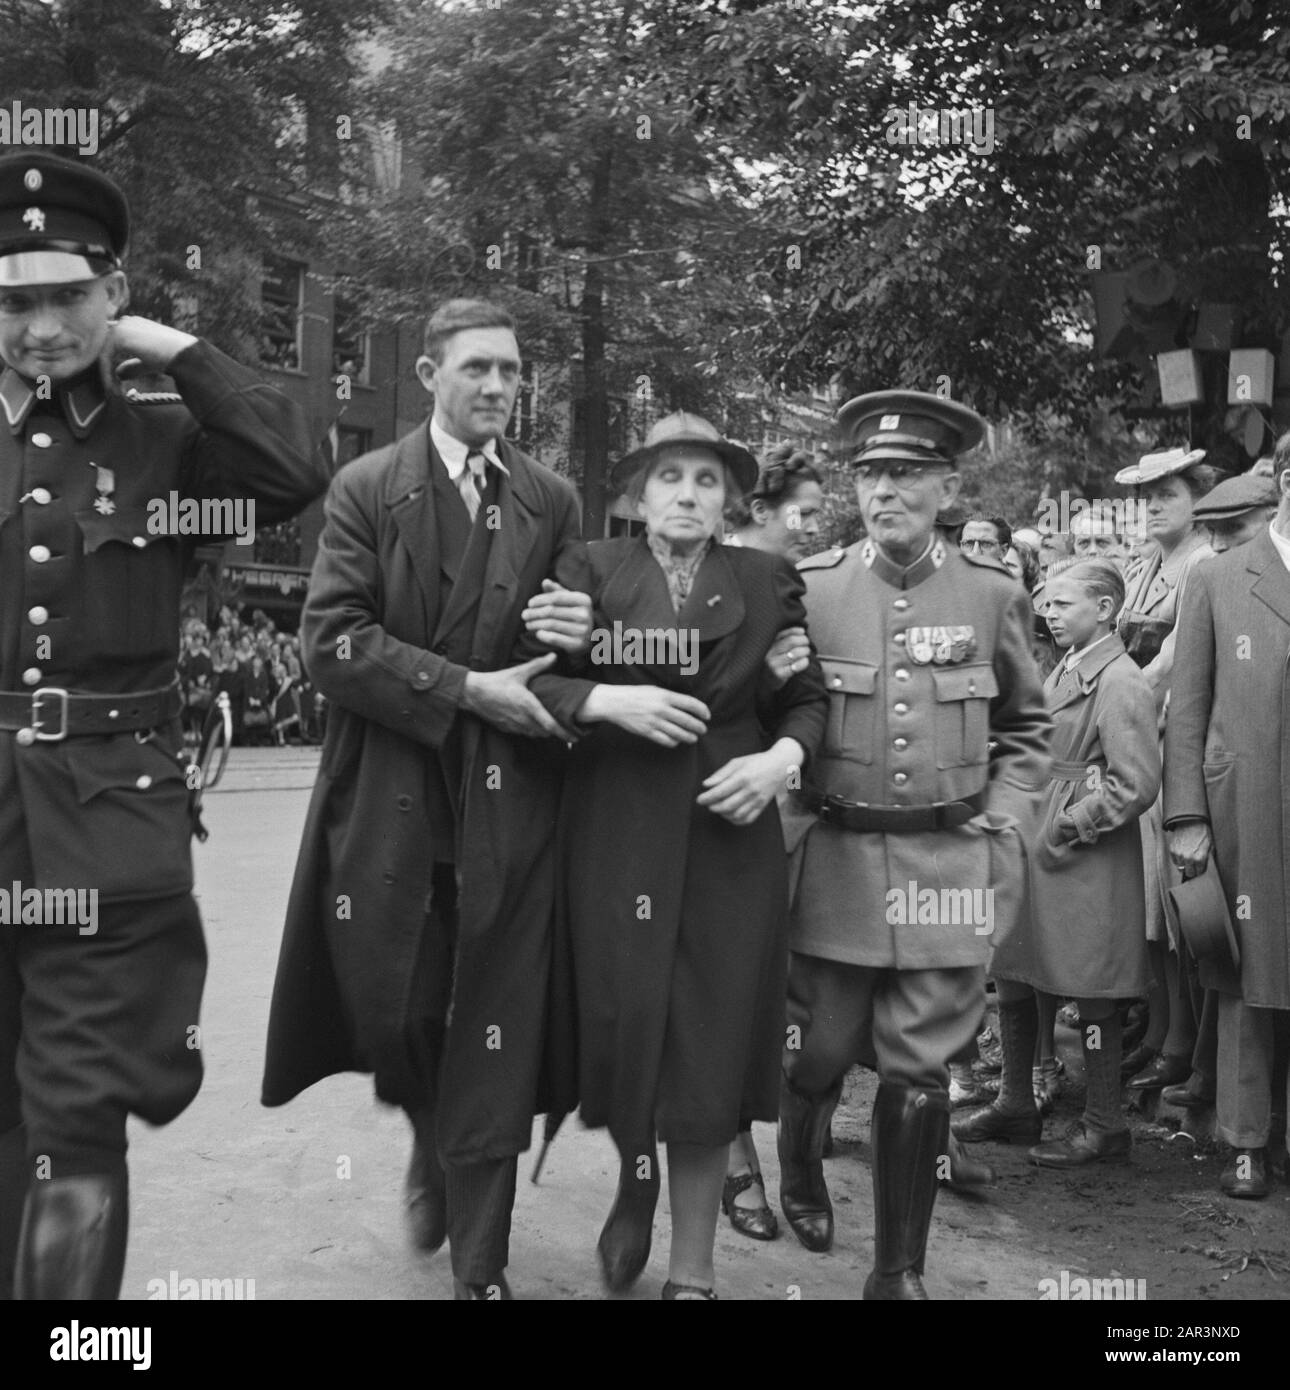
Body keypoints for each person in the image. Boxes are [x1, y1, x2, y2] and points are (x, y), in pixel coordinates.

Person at [0, 151, 323, 1298]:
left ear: (114, 293)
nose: (41, 325)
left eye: (67, 296)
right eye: (14, 300)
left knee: (79, 1114)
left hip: (109, 818)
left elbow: (293, 467)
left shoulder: (167, 447)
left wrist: (175, 353)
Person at [260, 298, 592, 1300]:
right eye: (479, 369)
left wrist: (583, 627)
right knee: (397, 1014)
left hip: (510, 804)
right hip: (393, 794)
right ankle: (425, 1128)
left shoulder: (553, 498)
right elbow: (332, 644)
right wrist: (460, 689)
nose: (498, 388)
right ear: (430, 376)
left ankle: (480, 1269)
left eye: (512, 372)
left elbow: (570, 651)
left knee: (492, 1026)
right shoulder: (367, 486)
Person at [527, 412, 826, 1298]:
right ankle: (634, 1185)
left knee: (708, 1048)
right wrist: (607, 704)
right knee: (624, 1030)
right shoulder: (590, 569)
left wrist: (780, 759)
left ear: (731, 497)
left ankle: (692, 1273)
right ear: (637, 495)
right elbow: (533, 678)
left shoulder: (769, 579)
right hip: (615, 834)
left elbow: (805, 699)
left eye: (706, 479)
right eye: (669, 478)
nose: (688, 494)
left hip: (727, 840)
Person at [779, 391, 1051, 1299]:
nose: (882, 492)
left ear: (947, 485)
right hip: (838, 865)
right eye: (868, 475)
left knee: (918, 1067)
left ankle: (896, 1271)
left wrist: (1004, 831)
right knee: (822, 1046)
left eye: (903, 475)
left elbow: (1025, 730)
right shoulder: (810, 592)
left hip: (949, 872)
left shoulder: (992, 595)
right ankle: (801, 1161)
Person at [955, 560, 1160, 1165]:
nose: (1049, 614)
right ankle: (1018, 1103)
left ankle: (1105, 1125)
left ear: (1104, 609)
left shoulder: (1119, 679)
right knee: (1015, 966)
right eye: (1047, 603)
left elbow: (1137, 783)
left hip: (1080, 852)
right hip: (1040, 838)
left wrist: (1073, 824)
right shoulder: (1072, 666)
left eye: (1063, 604)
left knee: (1093, 988)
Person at [1165, 434, 1290, 1198]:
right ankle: (1245, 1139)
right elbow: (1188, 707)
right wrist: (1185, 815)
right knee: (1247, 969)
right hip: (1242, 800)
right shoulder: (1216, 577)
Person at [720, 443, 824, 1241]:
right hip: (685, 802)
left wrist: (786, 749)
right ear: (759, 510)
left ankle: (796, 1162)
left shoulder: (788, 584)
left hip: (769, 813)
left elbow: (802, 695)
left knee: (772, 997)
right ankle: (731, 1162)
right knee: (709, 994)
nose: (816, 525)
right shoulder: (683, 567)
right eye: (805, 511)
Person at [1114, 447, 1221, 1092]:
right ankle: (1158, 1028)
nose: (1153, 507)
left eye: (1167, 495)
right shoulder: (1143, 564)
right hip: (1131, 739)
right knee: (1144, 900)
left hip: (1169, 738)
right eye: (1145, 497)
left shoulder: (1203, 563)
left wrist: (1119, 708)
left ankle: (1183, 1043)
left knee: (1175, 902)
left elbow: (1169, 665)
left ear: (1196, 501)